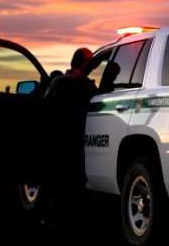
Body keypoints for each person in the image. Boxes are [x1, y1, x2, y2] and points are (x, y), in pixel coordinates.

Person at [41, 47, 98, 227]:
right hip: (77, 144)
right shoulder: (85, 85)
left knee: (56, 187)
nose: (92, 65)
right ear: (84, 64)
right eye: (90, 61)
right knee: (73, 187)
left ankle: (50, 220)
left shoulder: (57, 82)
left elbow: (44, 109)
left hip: (56, 143)